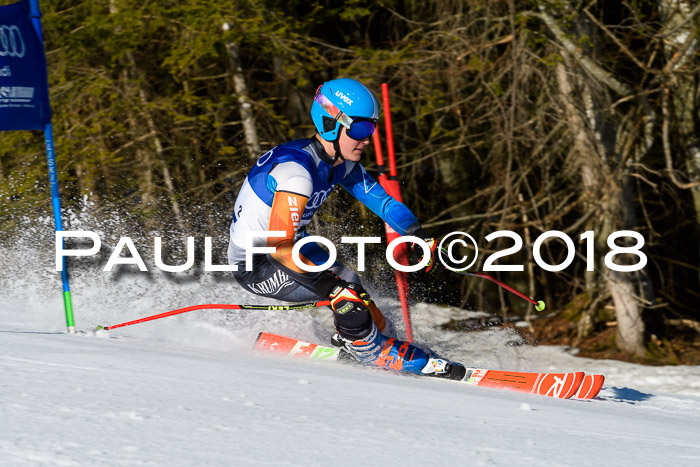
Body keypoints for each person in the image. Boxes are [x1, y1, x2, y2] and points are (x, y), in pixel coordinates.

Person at [227, 78, 462, 379]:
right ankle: (369, 350)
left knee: (353, 284)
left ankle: (362, 339)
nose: (367, 140)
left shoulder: (340, 163)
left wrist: (419, 235)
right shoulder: (296, 174)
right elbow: (280, 250)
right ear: (330, 123)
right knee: (346, 292)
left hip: (291, 247)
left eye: (372, 130)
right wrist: (333, 290)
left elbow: (385, 204)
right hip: (259, 263)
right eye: (361, 130)